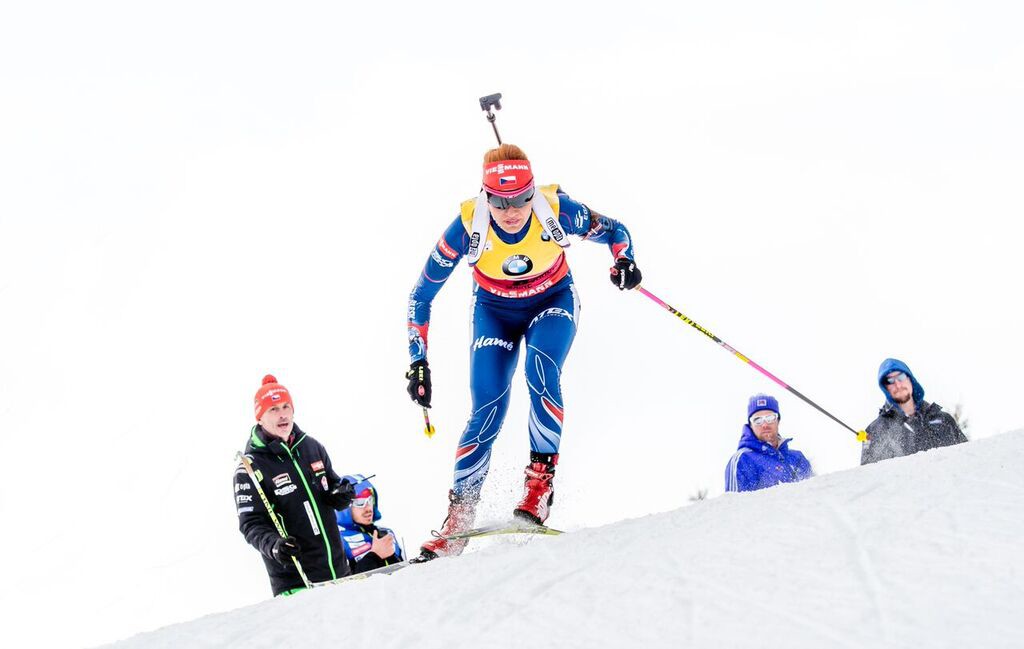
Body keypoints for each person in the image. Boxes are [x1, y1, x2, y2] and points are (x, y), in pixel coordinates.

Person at [405, 143, 642, 561]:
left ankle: (538, 487)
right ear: (485, 196)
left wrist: (624, 261)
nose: (512, 210)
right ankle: (458, 519)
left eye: (521, 198)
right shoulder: (465, 228)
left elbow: (616, 231)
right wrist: (418, 361)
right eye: (500, 201)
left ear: (534, 191)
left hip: (552, 300)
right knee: (488, 407)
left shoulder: (559, 211)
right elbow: (420, 296)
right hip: (494, 312)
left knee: (541, 370)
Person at [234, 374, 355, 596]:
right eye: (273, 409)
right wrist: (275, 545)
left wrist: (341, 494)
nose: (282, 415)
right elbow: (250, 524)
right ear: (259, 417)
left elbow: (331, 487)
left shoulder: (312, 447)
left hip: (339, 572)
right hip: (296, 583)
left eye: (285, 407)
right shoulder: (251, 467)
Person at [861, 358, 967, 465]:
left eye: (900, 377)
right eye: (890, 381)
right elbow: (870, 478)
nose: (898, 385)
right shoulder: (875, 431)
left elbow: (967, 458)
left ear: (910, 379)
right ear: (885, 388)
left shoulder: (944, 420)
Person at [725, 394, 814, 492]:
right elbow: (735, 504)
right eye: (757, 420)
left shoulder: (798, 458)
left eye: (770, 418)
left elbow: (816, 496)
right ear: (751, 425)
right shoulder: (743, 460)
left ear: (778, 420)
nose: (764, 424)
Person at [335, 474, 405, 574]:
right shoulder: (338, 542)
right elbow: (343, 583)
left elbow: (402, 572)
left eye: (370, 500)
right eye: (360, 502)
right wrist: (375, 556)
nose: (368, 508)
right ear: (345, 507)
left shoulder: (386, 533)